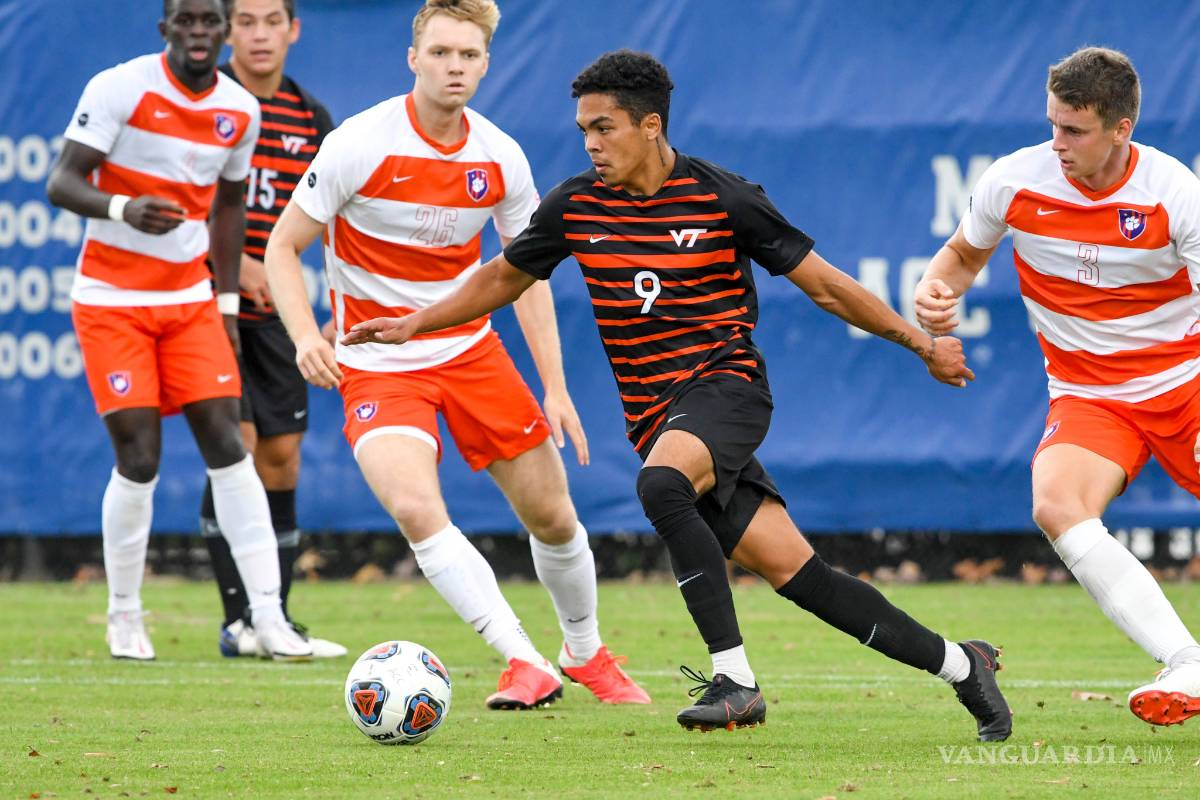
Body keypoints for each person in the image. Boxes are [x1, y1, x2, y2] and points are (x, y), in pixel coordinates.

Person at [342, 49, 1012, 740]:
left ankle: (736, 682)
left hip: (728, 388)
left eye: (604, 128)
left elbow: (826, 284)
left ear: (651, 125)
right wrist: (417, 322)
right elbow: (501, 279)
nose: (591, 144)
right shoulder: (576, 205)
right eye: (583, 131)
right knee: (800, 574)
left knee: (661, 485)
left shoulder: (723, 197)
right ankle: (965, 666)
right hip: (658, 417)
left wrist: (922, 344)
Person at [264, 0, 650, 708]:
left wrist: (555, 387)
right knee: (415, 507)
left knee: (555, 518)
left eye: (468, 56)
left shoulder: (498, 154)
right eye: (441, 53)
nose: (454, 67)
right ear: (414, 58)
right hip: (376, 362)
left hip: (471, 353)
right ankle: (522, 660)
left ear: (485, 65)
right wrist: (304, 337)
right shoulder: (359, 142)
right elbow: (281, 247)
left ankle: (585, 654)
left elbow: (524, 274)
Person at [915, 46, 1200, 727]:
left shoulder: (1173, 193)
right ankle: (1185, 663)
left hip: (1182, 384)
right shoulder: (1016, 181)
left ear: (1121, 129)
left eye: (1074, 130)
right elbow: (961, 254)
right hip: (1089, 396)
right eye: (1053, 125)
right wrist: (936, 294)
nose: (1058, 143)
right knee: (1057, 502)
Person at [45, 0, 311, 661]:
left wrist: (222, 305)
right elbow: (62, 182)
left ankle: (269, 619)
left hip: (190, 298)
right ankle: (125, 615)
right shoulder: (121, 87)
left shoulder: (239, 110)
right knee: (140, 459)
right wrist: (122, 208)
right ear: (164, 27)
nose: (199, 33)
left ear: (223, 32)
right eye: (185, 21)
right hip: (112, 298)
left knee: (229, 445)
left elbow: (228, 205)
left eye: (209, 22)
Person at [195, 0, 345, 660]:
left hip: (281, 315)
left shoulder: (311, 118)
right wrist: (239, 262)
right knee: (239, 443)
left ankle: (277, 618)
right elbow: (175, 202)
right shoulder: (204, 101)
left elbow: (341, 221)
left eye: (271, 21)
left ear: (294, 30)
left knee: (281, 455)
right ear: (228, 31)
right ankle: (240, 622)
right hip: (205, 303)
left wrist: (339, 306)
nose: (259, 35)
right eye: (246, 21)